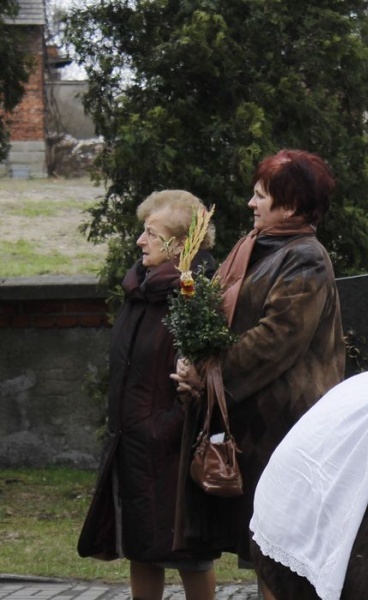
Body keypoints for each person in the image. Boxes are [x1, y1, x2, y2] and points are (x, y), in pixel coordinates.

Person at [172, 149, 345, 577]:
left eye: (260, 196)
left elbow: (276, 339)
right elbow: (216, 317)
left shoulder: (306, 257)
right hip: (253, 424)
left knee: (280, 560)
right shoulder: (256, 248)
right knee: (263, 556)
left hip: (285, 429)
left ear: (289, 205)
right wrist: (192, 359)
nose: (251, 203)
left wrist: (209, 372)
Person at [77, 190, 219, 600]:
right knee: (140, 547)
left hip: (173, 446)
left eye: (150, 233)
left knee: (190, 553)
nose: (140, 241)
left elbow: (204, 372)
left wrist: (168, 425)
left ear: (177, 244)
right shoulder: (138, 290)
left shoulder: (194, 294)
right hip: (134, 441)